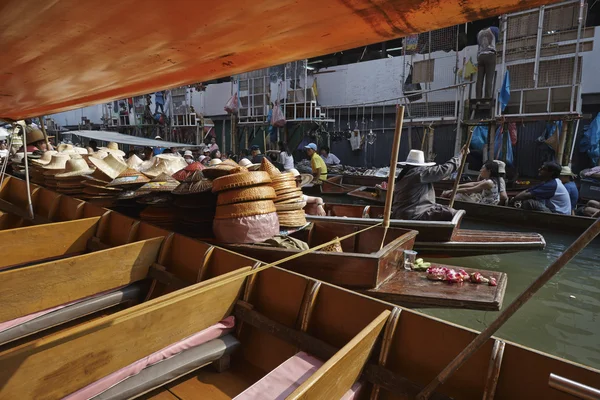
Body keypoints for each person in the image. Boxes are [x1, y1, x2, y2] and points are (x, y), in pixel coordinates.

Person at [392, 147, 468, 221]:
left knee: (444, 209)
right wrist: (460, 155)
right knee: (453, 213)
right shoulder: (418, 173)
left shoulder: (405, 174)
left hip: (402, 213)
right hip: (414, 214)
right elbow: (444, 169)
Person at [476, 25, 500, 99]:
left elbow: (479, 45)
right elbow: (497, 39)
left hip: (481, 56)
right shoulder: (494, 29)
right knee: (489, 79)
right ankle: (487, 97)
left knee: (479, 80)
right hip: (490, 55)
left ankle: (478, 97)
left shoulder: (479, 33)